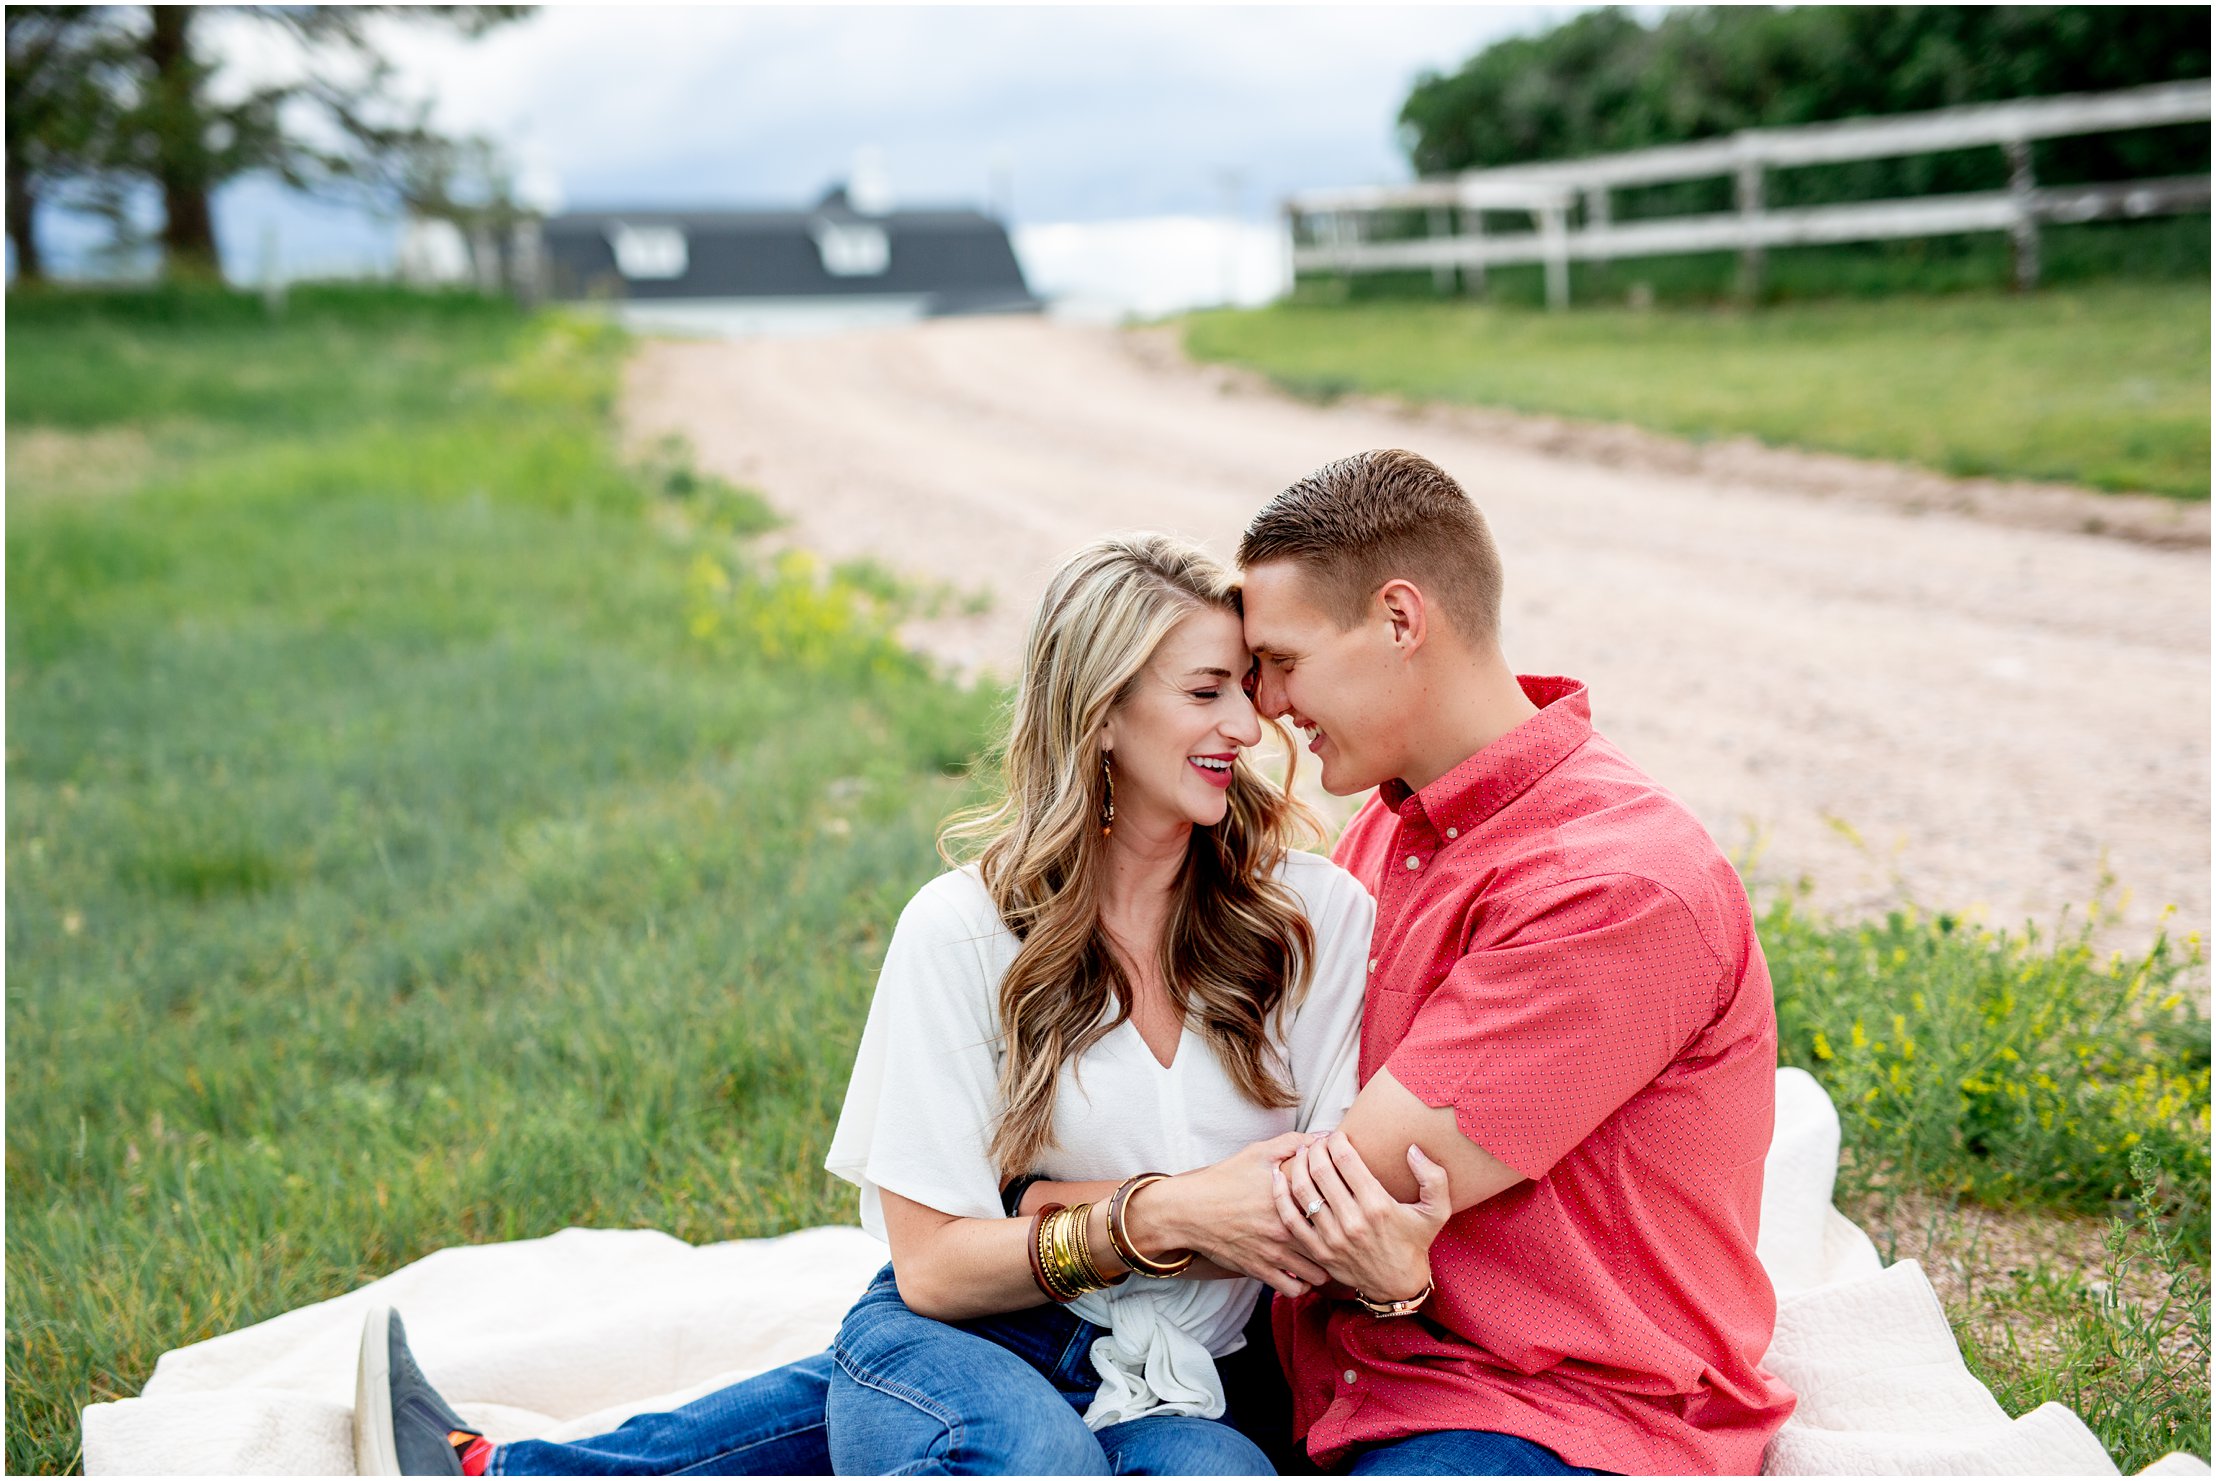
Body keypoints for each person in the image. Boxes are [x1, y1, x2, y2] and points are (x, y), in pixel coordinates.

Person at [351, 532, 1446, 1477]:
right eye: (1204, 691)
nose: (1247, 729)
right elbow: (933, 1264)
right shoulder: (965, 928)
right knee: (1026, 1460)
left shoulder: (1312, 917)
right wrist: (1161, 1213)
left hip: (1182, 1383)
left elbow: (1310, 1209)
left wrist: (1044, 1198)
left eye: (1246, 690)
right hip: (972, 1335)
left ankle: (502, 1469)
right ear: (1101, 711)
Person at [1214, 448, 1797, 1475]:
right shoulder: (1386, 830)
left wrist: (1078, 1221)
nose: (1262, 702)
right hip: (1353, 1360)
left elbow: (1344, 1190)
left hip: (1545, 1408)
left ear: (1400, 620)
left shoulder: (1614, 883)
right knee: (898, 1379)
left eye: (1283, 661)